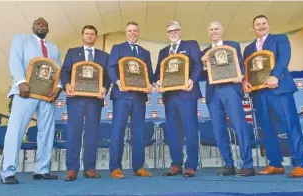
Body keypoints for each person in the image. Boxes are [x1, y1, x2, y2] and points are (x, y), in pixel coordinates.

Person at [242, 15, 303, 178]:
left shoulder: (280, 39)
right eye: (257, 24)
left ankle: (301, 164)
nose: (261, 26)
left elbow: (284, 59)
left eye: (264, 23)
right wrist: (245, 82)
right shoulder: (249, 49)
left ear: (269, 25)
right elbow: (248, 70)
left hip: (279, 89)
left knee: (290, 125)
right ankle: (275, 164)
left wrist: (275, 76)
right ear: (253, 28)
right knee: (267, 129)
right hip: (259, 93)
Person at [0, 17, 61, 184]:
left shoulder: (54, 48)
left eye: (45, 24)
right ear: (33, 27)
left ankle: (42, 170)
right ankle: (8, 171)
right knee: (16, 130)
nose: (41, 25)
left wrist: (59, 87)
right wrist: (21, 82)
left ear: (48, 29)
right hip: (25, 92)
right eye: (38, 23)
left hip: (47, 95)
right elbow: (15, 61)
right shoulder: (21, 39)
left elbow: (58, 70)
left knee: (47, 132)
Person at [201, 21, 255, 177]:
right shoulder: (204, 52)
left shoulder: (233, 45)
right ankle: (228, 165)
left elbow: (242, 66)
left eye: (216, 28)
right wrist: (204, 63)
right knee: (218, 131)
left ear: (222, 30)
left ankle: (248, 166)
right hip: (213, 93)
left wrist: (242, 76)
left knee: (239, 127)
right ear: (208, 33)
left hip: (230, 89)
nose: (214, 31)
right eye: (211, 29)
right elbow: (201, 75)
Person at [60, 25, 111, 181]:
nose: (89, 36)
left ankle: (89, 168)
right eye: (87, 34)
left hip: (94, 101)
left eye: (92, 34)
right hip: (75, 99)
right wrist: (67, 84)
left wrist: (105, 87)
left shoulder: (104, 55)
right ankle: (71, 169)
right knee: (73, 133)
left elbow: (108, 75)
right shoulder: (72, 52)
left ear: (96, 37)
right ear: (82, 36)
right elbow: (65, 71)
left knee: (92, 134)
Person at [154, 21, 202, 178]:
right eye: (170, 31)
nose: (173, 33)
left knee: (190, 129)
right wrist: (158, 82)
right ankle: (176, 164)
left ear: (180, 31)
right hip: (169, 96)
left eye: (175, 30)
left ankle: (191, 165)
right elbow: (157, 73)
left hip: (187, 93)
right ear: (167, 34)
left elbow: (197, 66)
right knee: (173, 131)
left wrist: (191, 80)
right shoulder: (163, 52)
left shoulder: (191, 45)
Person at [107, 21, 154, 179]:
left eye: (135, 30)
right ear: (126, 33)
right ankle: (115, 168)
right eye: (130, 30)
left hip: (139, 97)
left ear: (138, 33)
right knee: (118, 131)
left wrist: (149, 84)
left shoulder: (145, 52)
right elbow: (111, 67)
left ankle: (139, 167)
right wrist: (118, 82)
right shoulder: (117, 48)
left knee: (139, 132)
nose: (132, 33)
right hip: (121, 95)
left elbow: (150, 73)